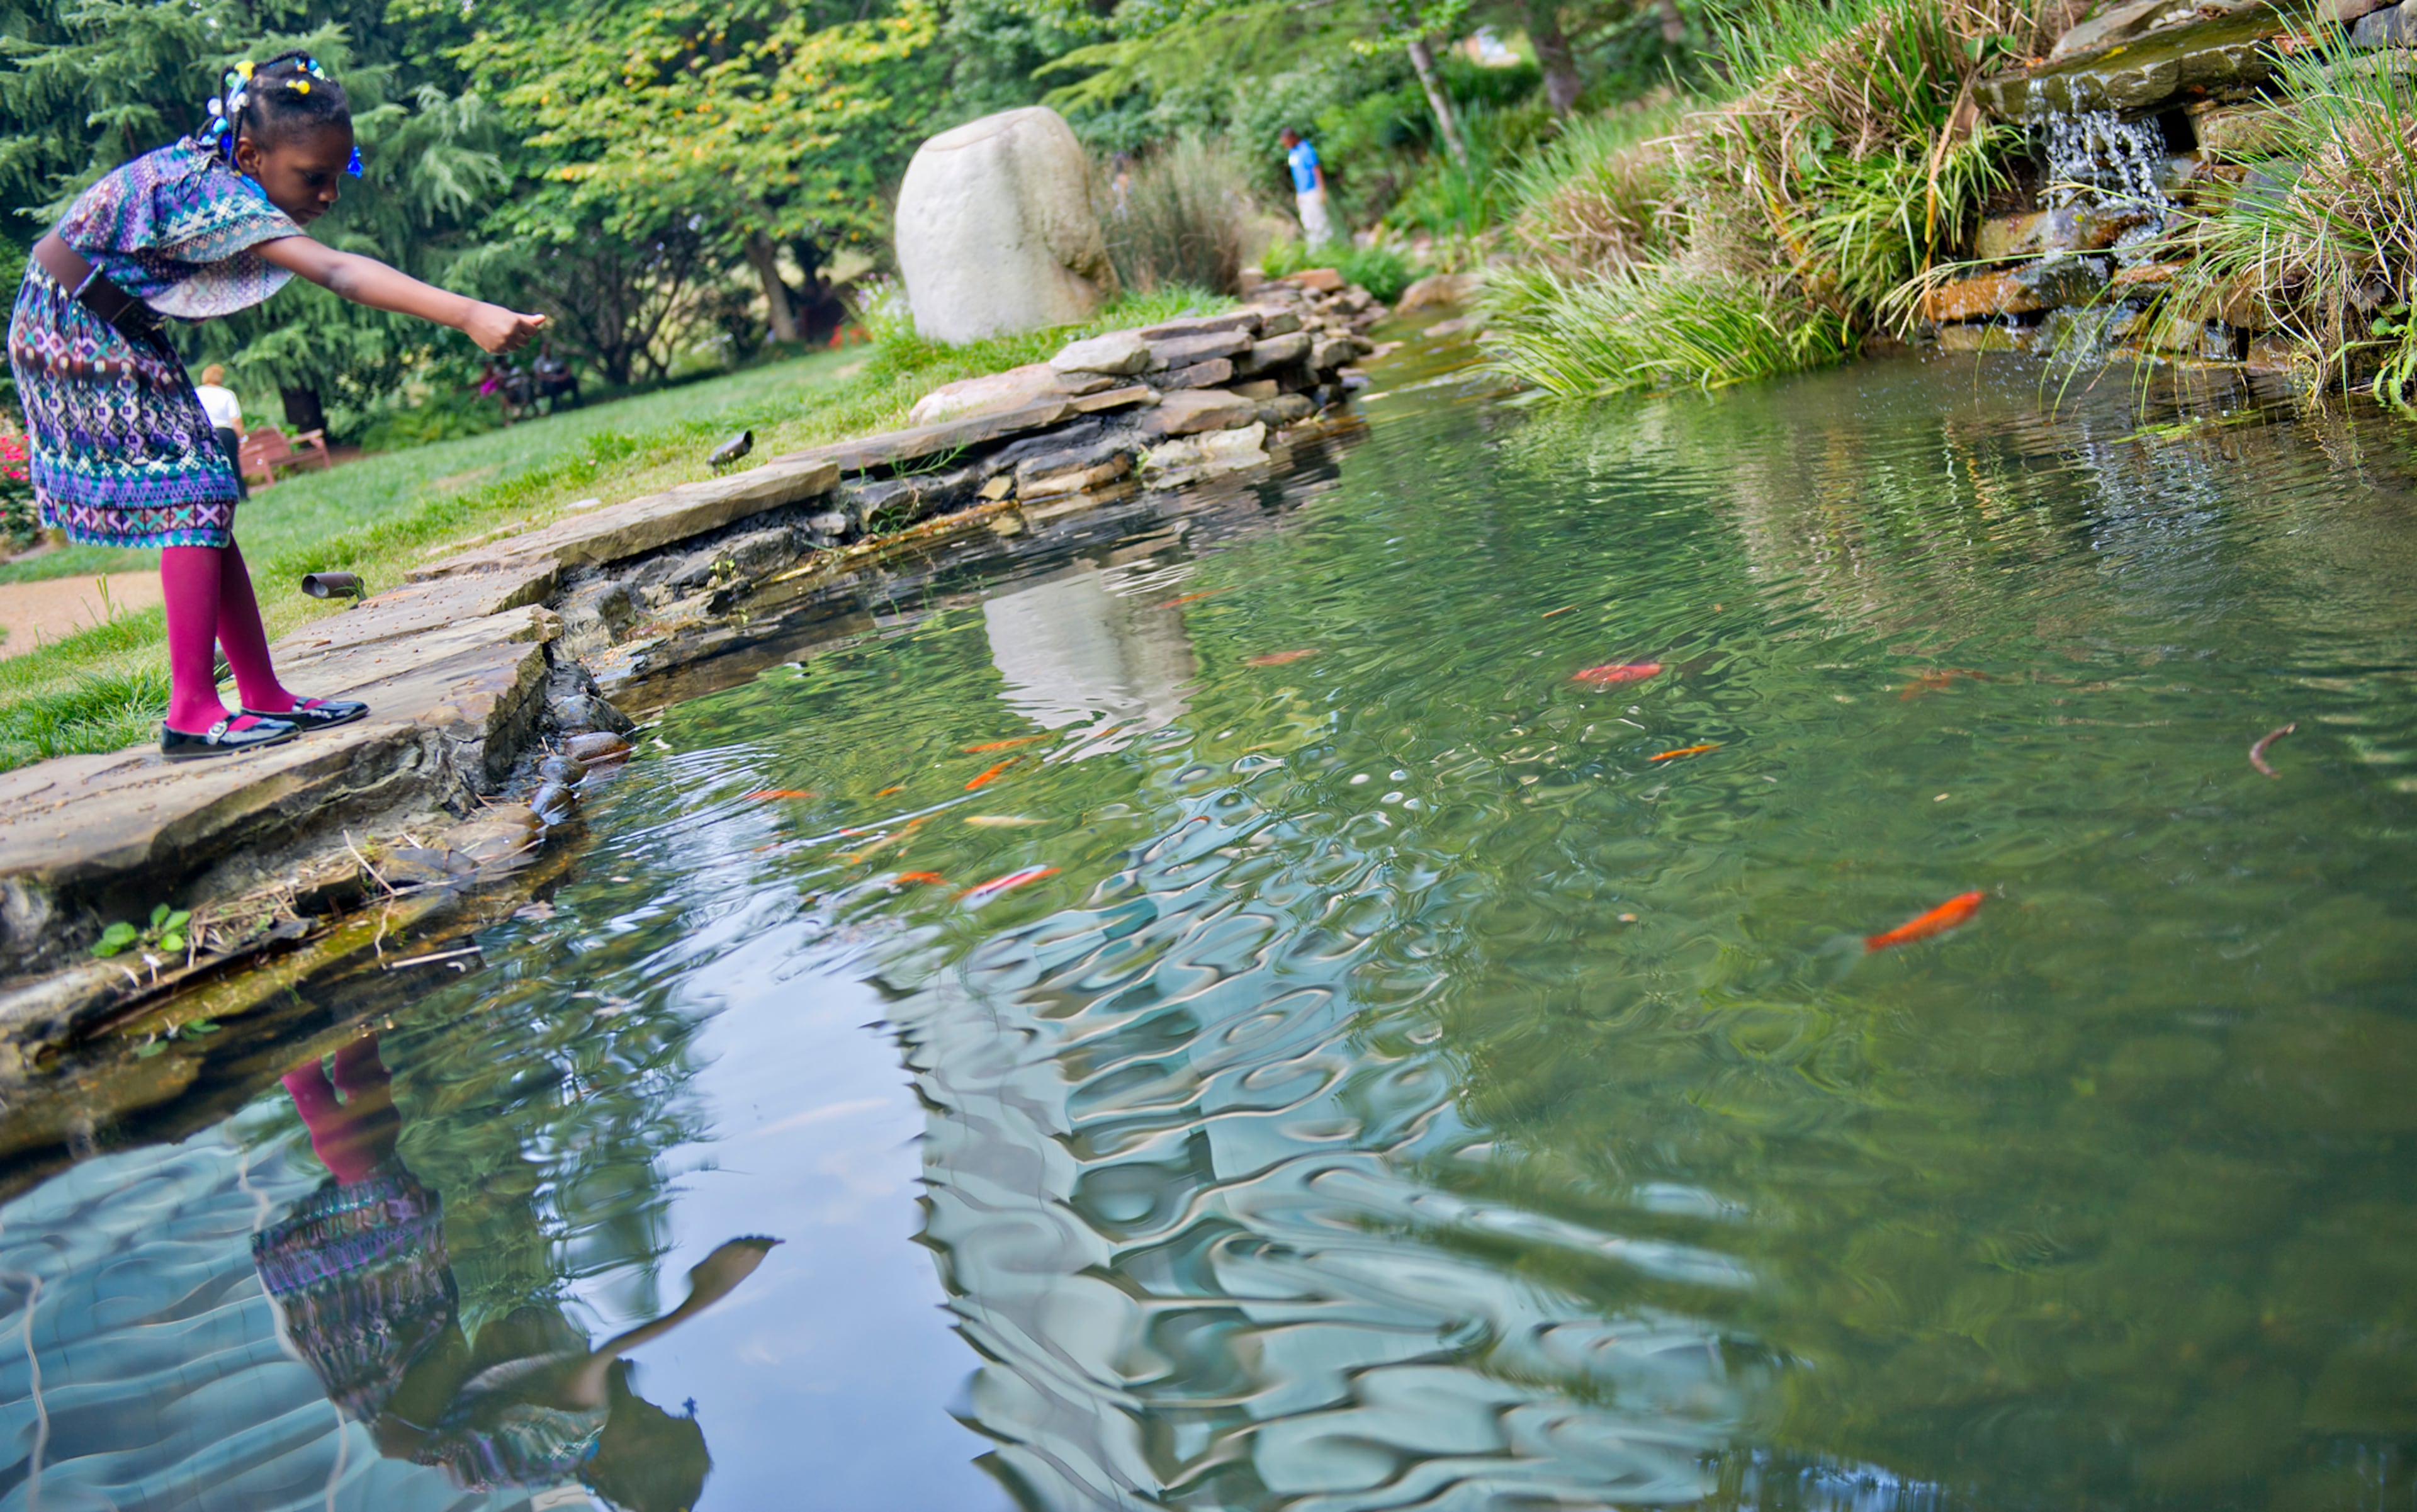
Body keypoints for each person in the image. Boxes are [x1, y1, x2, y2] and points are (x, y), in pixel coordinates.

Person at [4, 53, 546, 759]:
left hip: (113, 322)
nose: (327, 195)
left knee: (206, 495)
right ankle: (192, 711)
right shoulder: (212, 189)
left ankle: (260, 692)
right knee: (191, 494)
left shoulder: (228, 168)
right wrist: (469, 311)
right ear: (253, 153)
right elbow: (339, 270)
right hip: (71, 325)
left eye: (338, 174)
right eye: (312, 177)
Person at [257, 1034, 780, 1509]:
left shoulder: (571, 1439)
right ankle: (356, 1043)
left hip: (389, 1355)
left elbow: (598, 1361)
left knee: (390, 1202)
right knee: (390, 1186)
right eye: (661, 1414)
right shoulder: (540, 1454)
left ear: (606, 1466)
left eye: (647, 1425)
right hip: (402, 1350)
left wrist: (704, 1296)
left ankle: (299, 1059)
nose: (647, 1407)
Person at [190, 362, 249, 500]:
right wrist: (242, 439)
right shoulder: (227, 394)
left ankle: (217, 496)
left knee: (211, 466)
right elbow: (235, 420)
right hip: (225, 432)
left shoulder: (196, 394)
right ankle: (241, 495)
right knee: (233, 465)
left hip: (205, 434)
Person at [1280, 128, 1337, 248]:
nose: (1286, 146)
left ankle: (1327, 245)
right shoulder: (1293, 153)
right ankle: (1315, 246)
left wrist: (1322, 190)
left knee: (1319, 218)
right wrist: (1298, 193)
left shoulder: (1307, 150)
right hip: (1302, 193)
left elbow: (1316, 169)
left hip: (1313, 191)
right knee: (1307, 220)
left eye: (1287, 142)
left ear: (1292, 138)